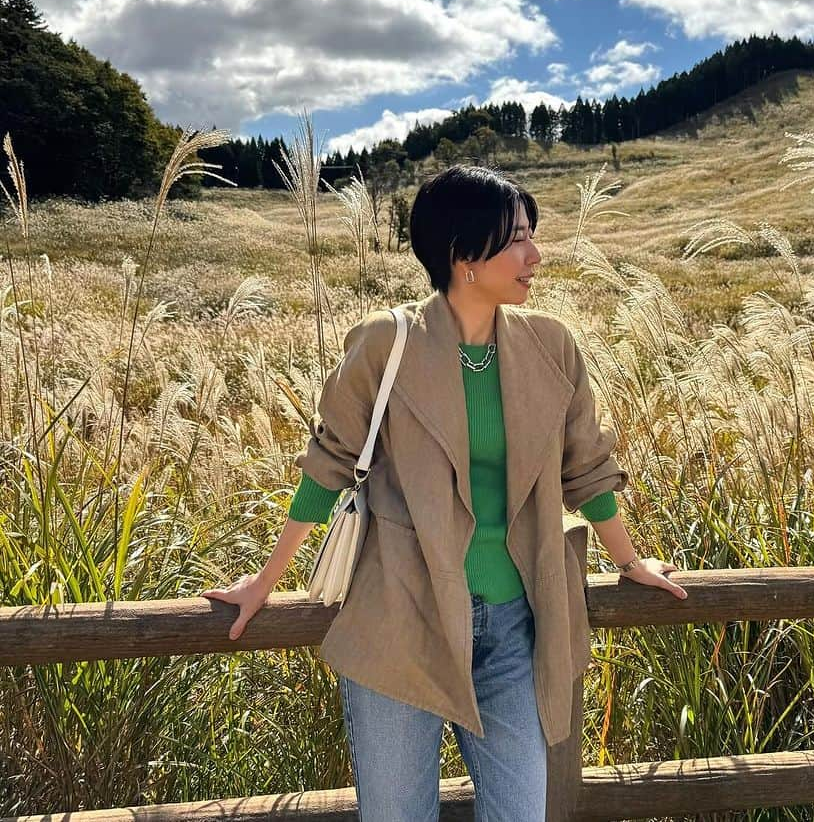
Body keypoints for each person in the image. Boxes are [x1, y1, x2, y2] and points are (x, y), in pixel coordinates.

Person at [202, 164, 687, 822]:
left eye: (531, 237)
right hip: (403, 617)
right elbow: (329, 465)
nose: (534, 255)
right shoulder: (385, 342)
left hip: (516, 629)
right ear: (463, 254)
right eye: (517, 238)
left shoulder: (552, 346)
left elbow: (589, 471)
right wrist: (266, 580)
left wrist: (631, 562)